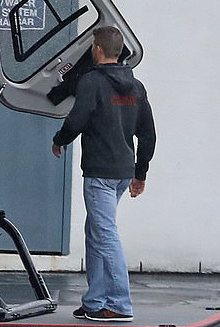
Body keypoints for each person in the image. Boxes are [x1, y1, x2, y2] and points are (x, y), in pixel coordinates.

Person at [51, 25, 156, 323]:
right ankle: (95, 301)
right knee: (96, 231)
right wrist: (140, 174)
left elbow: (76, 120)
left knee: (106, 234)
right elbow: (148, 134)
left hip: (99, 173)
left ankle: (120, 304)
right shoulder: (136, 87)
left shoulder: (92, 81)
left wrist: (59, 140)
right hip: (123, 173)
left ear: (97, 49)